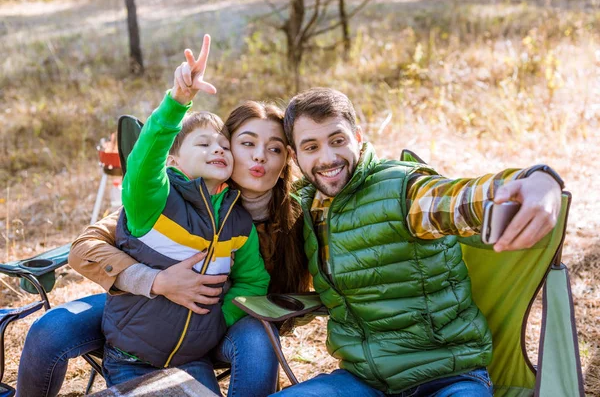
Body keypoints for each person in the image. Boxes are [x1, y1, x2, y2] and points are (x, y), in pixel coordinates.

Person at [15, 36, 309, 397]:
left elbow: (256, 284)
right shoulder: (165, 198)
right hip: (136, 318)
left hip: (203, 339)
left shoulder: (273, 221)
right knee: (51, 330)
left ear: (286, 162)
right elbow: (89, 243)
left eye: (274, 148)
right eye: (246, 143)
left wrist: (215, 319)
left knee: (257, 335)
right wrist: (156, 281)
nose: (260, 157)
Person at [267, 87, 564, 397]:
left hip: (449, 377)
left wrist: (539, 180)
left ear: (357, 137)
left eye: (337, 140)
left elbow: (460, 200)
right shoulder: (302, 207)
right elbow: (235, 186)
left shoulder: (402, 190)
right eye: (311, 147)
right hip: (363, 381)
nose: (327, 157)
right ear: (295, 156)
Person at [100, 35, 271, 389]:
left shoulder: (237, 221)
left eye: (225, 145)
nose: (219, 149)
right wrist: (178, 102)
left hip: (193, 359)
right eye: (204, 143)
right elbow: (144, 163)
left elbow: (254, 281)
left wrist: (217, 321)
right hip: (131, 358)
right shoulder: (155, 201)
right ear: (174, 160)